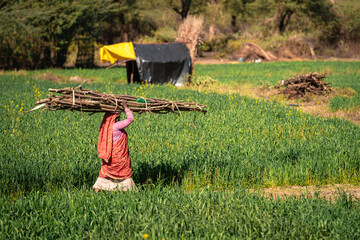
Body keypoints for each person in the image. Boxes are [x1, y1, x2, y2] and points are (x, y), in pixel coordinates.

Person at [93, 101, 137, 192]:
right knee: (123, 173)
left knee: (105, 173)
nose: (119, 117)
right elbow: (130, 119)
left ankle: (98, 189)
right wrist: (125, 106)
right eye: (118, 116)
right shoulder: (116, 126)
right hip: (119, 156)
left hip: (109, 155)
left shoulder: (106, 127)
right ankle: (126, 189)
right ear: (114, 117)